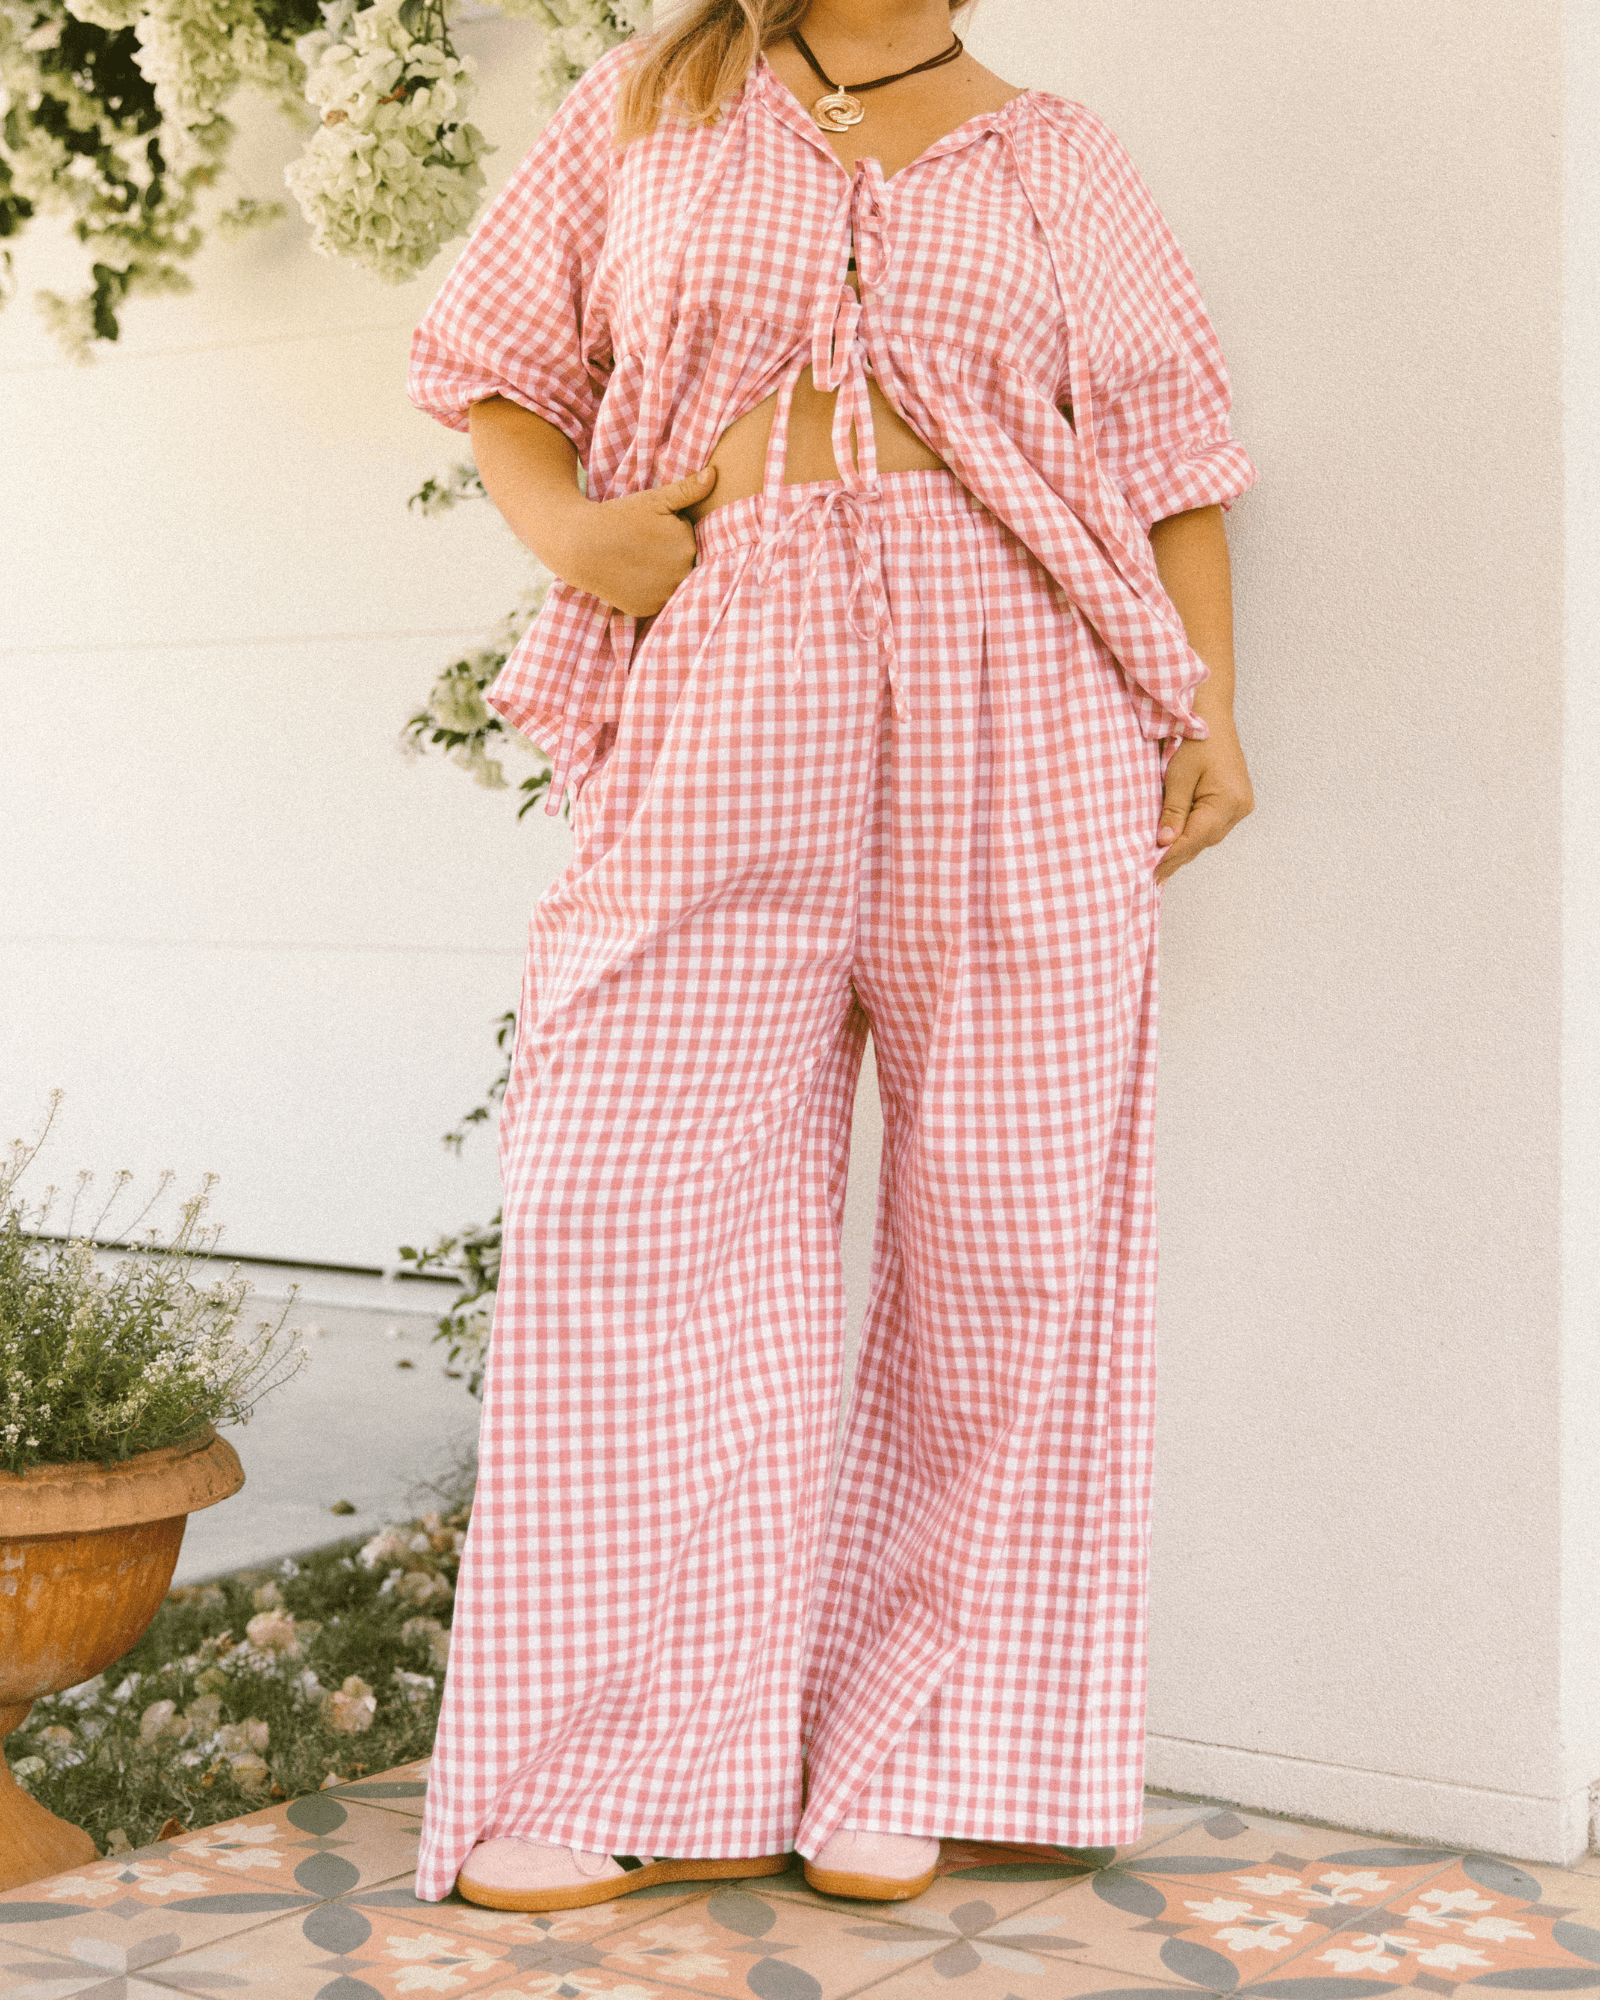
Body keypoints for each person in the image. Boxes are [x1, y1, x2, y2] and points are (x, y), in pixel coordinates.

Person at [406, 0, 1258, 1915]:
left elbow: (1171, 454)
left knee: (1007, 1235)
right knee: (630, 1206)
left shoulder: (1059, 154)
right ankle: (612, 1758)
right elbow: (493, 362)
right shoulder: (652, 103)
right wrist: (574, 535)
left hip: (1026, 681)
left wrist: (1210, 705)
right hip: (733, 653)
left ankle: (920, 1748)